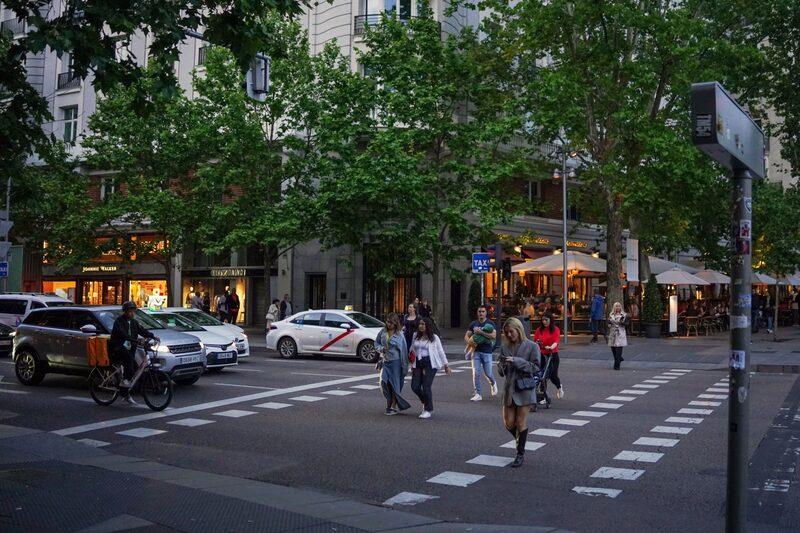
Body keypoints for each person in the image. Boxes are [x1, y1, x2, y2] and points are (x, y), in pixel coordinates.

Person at [496, 317, 540, 468]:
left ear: (519, 329)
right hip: (509, 389)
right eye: (506, 332)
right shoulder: (505, 347)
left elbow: (535, 367)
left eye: (511, 331)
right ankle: (520, 439)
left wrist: (517, 361)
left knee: (520, 422)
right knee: (508, 423)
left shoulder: (532, 346)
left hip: (524, 388)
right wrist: (500, 366)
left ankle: (520, 453)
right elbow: (502, 372)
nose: (509, 335)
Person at [109, 301, 159, 405]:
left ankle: (125, 392)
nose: (132, 314)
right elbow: (122, 334)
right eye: (130, 311)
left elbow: (142, 330)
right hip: (118, 347)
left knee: (133, 367)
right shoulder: (119, 321)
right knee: (129, 360)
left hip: (130, 347)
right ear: (125, 312)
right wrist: (134, 340)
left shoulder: (134, 322)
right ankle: (125, 381)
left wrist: (153, 336)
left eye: (133, 311)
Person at [410, 318, 452, 419]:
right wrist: (411, 362)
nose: (421, 326)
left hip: (430, 363)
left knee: (426, 386)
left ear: (428, 326)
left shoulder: (434, 337)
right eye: (420, 324)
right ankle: (425, 400)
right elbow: (412, 349)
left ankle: (428, 409)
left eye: (423, 324)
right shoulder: (415, 335)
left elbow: (441, 351)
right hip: (418, 362)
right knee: (414, 386)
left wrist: (446, 365)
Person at [375, 313, 411, 415]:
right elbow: (376, 343)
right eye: (387, 321)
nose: (389, 324)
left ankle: (392, 406)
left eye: (391, 322)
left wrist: (404, 366)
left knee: (395, 385)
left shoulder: (400, 334)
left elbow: (404, 351)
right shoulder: (382, 331)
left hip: (396, 362)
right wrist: (381, 349)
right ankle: (389, 401)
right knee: (383, 382)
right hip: (385, 361)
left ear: (396, 323)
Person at [464, 305, 498, 402]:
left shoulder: (490, 323)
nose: (481, 313)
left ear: (486, 313)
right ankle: (478, 393)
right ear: (477, 313)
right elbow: (466, 336)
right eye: (479, 311)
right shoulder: (473, 324)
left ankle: (493, 383)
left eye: (483, 311)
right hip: (475, 352)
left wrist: (480, 332)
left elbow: (493, 335)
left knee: (488, 373)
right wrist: (469, 342)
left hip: (487, 351)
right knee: (476, 373)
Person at [533, 312, 563, 401]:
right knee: (542, 375)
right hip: (542, 354)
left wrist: (551, 347)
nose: (544, 322)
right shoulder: (539, 330)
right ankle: (542, 396)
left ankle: (559, 386)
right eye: (543, 320)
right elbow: (535, 341)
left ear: (550, 320)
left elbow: (556, 341)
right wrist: (537, 343)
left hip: (552, 354)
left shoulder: (555, 329)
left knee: (553, 376)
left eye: (546, 320)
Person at [608, 302, 628, 370]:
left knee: (619, 348)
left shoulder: (624, 315)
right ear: (614, 307)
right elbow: (608, 322)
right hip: (613, 332)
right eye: (616, 306)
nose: (618, 308)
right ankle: (619, 358)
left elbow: (627, 323)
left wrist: (623, 323)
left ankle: (617, 366)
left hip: (620, 332)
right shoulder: (611, 315)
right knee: (613, 348)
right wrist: (609, 325)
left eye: (619, 306)